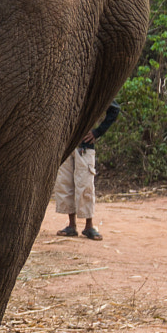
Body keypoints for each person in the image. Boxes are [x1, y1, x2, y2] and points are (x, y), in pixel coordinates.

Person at [53, 100, 121, 241]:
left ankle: (88, 226)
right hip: (66, 144)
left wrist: (97, 132)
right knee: (65, 184)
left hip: (84, 146)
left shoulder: (92, 88)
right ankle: (71, 225)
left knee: (85, 185)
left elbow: (114, 109)